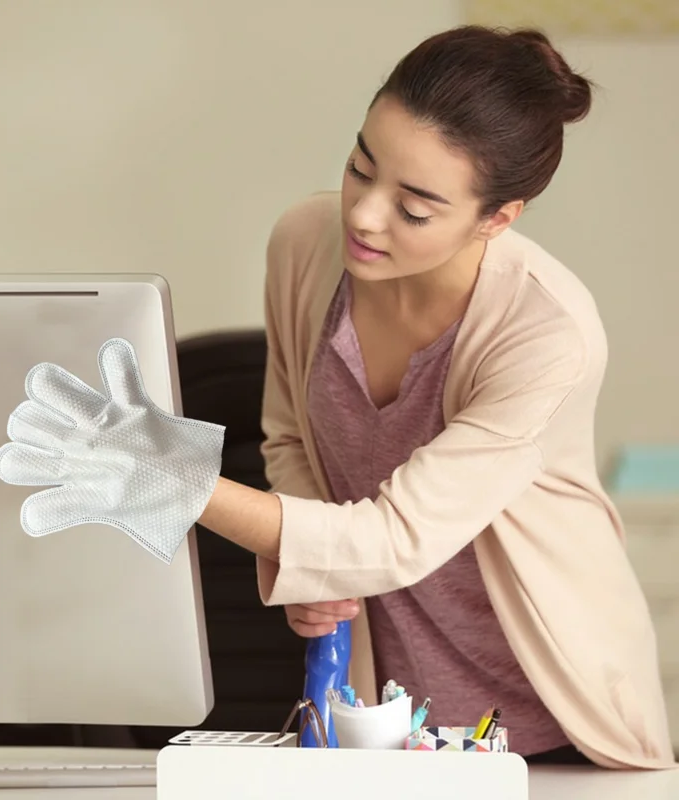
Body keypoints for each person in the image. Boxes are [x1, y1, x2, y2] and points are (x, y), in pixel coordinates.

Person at [194, 25, 676, 769]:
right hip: (383, 713)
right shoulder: (302, 243)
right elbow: (288, 438)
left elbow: (396, 538)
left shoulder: (546, 333)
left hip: (544, 724)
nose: (362, 215)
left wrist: (175, 486)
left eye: (414, 209)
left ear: (496, 218)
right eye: (361, 167)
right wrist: (312, 566)